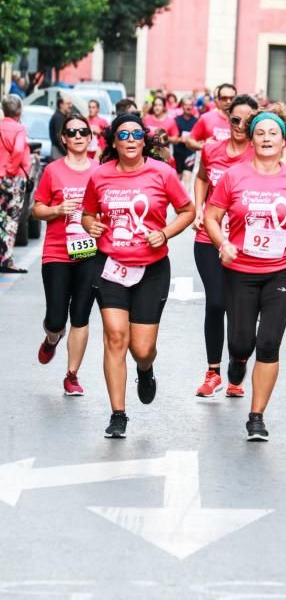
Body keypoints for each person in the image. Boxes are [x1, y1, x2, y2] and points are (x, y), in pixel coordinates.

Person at [204, 104, 286, 441]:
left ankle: (256, 417)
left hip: (283, 271)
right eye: (259, 132)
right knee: (242, 341)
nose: (266, 138)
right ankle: (237, 360)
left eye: (273, 133)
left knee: (270, 343)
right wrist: (222, 244)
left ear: (284, 139)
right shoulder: (234, 176)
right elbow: (211, 217)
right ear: (251, 139)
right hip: (241, 271)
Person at [81, 113, 195, 438]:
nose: (130, 140)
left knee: (141, 348)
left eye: (135, 134)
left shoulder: (162, 173)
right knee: (116, 336)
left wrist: (166, 233)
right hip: (112, 264)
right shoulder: (99, 176)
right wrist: (92, 225)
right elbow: (88, 214)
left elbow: (188, 210)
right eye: (123, 135)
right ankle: (118, 414)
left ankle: (145, 370)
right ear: (113, 142)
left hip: (152, 267)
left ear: (144, 140)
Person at [193, 94, 258, 399]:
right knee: (216, 302)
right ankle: (213, 372)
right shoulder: (211, 149)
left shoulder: (259, 154)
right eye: (235, 119)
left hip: (245, 242)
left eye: (248, 121)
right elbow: (202, 178)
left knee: (239, 308)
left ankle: (236, 369)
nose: (240, 125)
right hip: (210, 238)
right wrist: (198, 209)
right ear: (226, 117)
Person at [33, 114, 98, 395]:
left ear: (90, 136)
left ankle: (72, 375)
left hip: (91, 252)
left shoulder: (100, 171)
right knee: (57, 319)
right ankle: (52, 338)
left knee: (81, 315)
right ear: (64, 138)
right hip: (58, 253)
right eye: (72, 132)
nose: (78, 136)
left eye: (84, 131)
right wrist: (57, 210)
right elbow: (36, 209)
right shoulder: (53, 171)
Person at [0, 95, 31, 273]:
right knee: (11, 219)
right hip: (13, 179)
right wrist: (10, 170)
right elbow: (19, 149)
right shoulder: (19, 129)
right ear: (19, 111)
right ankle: (6, 260)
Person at [186, 83, 237, 151]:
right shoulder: (206, 118)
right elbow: (189, 141)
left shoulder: (242, 120)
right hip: (211, 160)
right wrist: (203, 146)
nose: (228, 101)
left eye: (232, 98)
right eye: (224, 98)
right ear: (218, 100)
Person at [173, 97, 197, 191]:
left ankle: (186, 200)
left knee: (187, 176)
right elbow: (171, 137)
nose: (188, 107)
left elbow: (200, 137)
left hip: (190, 152)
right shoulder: (176, 120)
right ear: (182, 106)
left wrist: (193, 140)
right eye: (186, 104)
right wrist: (179, 139)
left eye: (190, 105)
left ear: (193, 106)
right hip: (178, 151)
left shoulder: (197, 121)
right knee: (178, 178)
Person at [49, 93, 73, 160]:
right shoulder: (58, 118)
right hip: (59, 153)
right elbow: (59, 138)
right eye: (68, 103)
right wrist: (67, 152)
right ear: (61, 105)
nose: (71, 105)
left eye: (71, 103)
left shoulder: (63, 117)